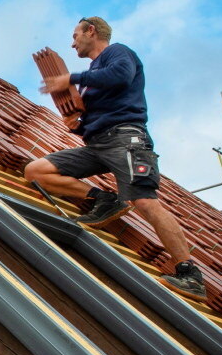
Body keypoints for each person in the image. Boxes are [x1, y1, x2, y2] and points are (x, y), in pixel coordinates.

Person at [25, 17, 206, 300]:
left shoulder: (118, 53)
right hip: (97, 144)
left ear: (91, 31)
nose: (72, 43)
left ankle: (189, 274)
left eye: (75, 36)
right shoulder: (91, 77)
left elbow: (120, 76)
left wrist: (71, 77)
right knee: (35, 171)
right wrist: (78, 124)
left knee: (145, 201)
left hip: (126, 139)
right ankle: (104, 200)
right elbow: (97, 110)